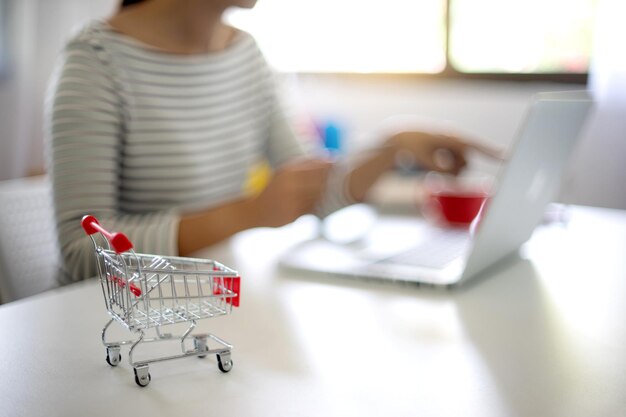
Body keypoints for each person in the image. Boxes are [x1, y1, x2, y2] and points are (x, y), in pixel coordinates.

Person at [46, 0, 500, 282]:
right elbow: (82, 252)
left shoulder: (246, 55)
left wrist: (393, 146)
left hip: (209, 305)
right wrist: (249, 212)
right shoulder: (96, 62)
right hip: (119, 329)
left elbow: (308, 192)